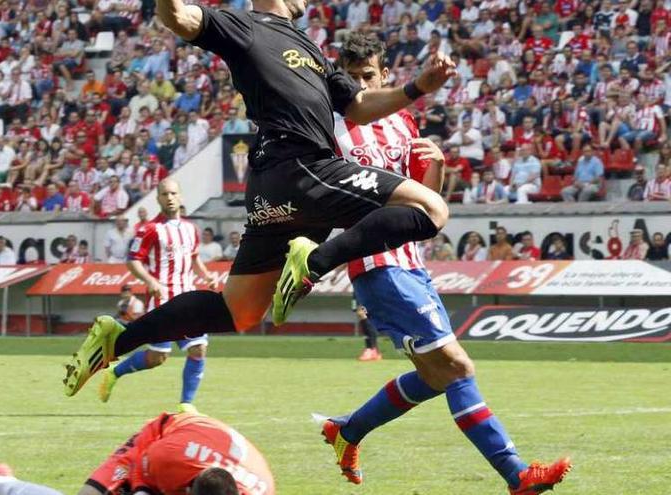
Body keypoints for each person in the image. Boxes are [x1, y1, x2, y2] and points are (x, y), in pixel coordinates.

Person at [64, 0, 456, 409]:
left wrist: (417, 89)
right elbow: (178, 17)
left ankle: (117, 339)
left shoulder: (308, 46)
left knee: (240, 311)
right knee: (432, 209)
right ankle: (314, 263)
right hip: (304, 167)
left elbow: (358, 106)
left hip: (273, 188)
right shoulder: (246, 27)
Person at [319, 34, 569, 494]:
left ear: (385, 76)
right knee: (456, 367)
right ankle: (516, 475)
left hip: (411, 262)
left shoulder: (401, 121)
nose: (359, 86)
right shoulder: (329, 128)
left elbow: (423, 201)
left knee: (436, 377)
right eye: (351, 78)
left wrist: (436, 166)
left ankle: (347, 430)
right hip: (377, 265)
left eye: (368, 77)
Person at [97, 179, 219, 413]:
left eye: (174, 193)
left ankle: (186, 404)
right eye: (165, 194)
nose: (170, 197)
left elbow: (193, 258)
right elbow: (133, 261)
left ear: (180, 196)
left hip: (189, 301)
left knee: (199, 348)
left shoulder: (190, 229)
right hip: (163, 302)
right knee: (157, 358)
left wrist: (207, 276)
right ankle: (115, 372)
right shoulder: (150, 229)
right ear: (158, 198)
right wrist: (151, 281)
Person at [0, 412, 275, 495]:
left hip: (200, 446)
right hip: (156, 441)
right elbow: (141, 478)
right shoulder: (167, 460)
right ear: (187, 489)